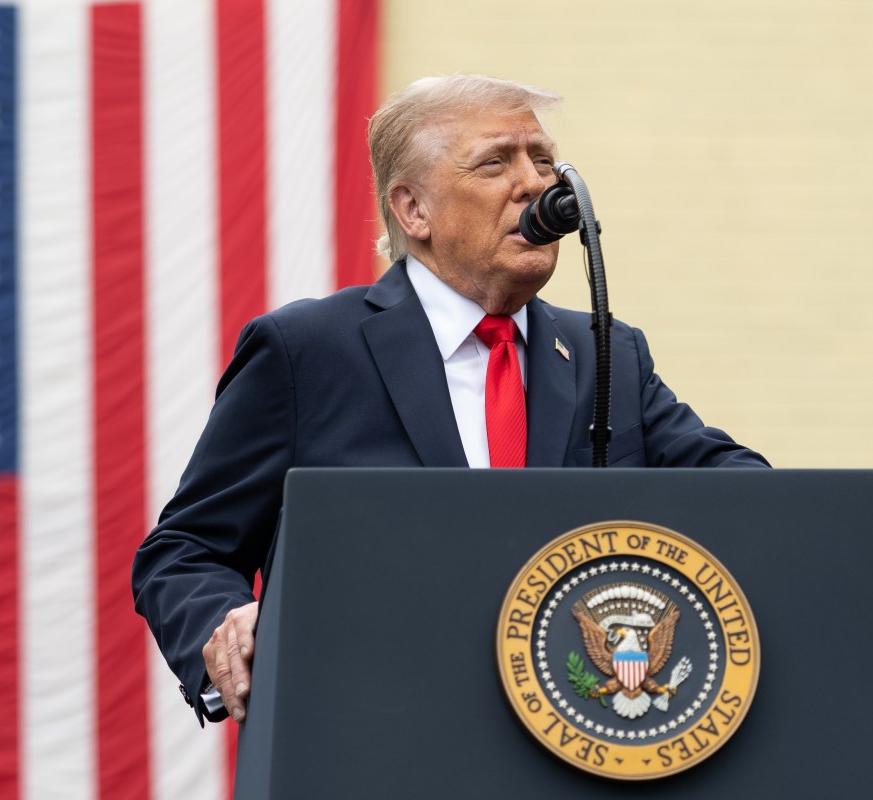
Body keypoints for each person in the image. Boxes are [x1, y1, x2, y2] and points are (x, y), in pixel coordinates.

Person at [132, 74, 769, 727]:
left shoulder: (608, 354)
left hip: (582, 740)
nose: (535, 183)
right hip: (377, 731)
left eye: (544, 159)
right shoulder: (308, 352)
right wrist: (226, 628)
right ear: (413, 210)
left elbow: (750, 500)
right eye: (497, 162)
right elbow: (185, 550)